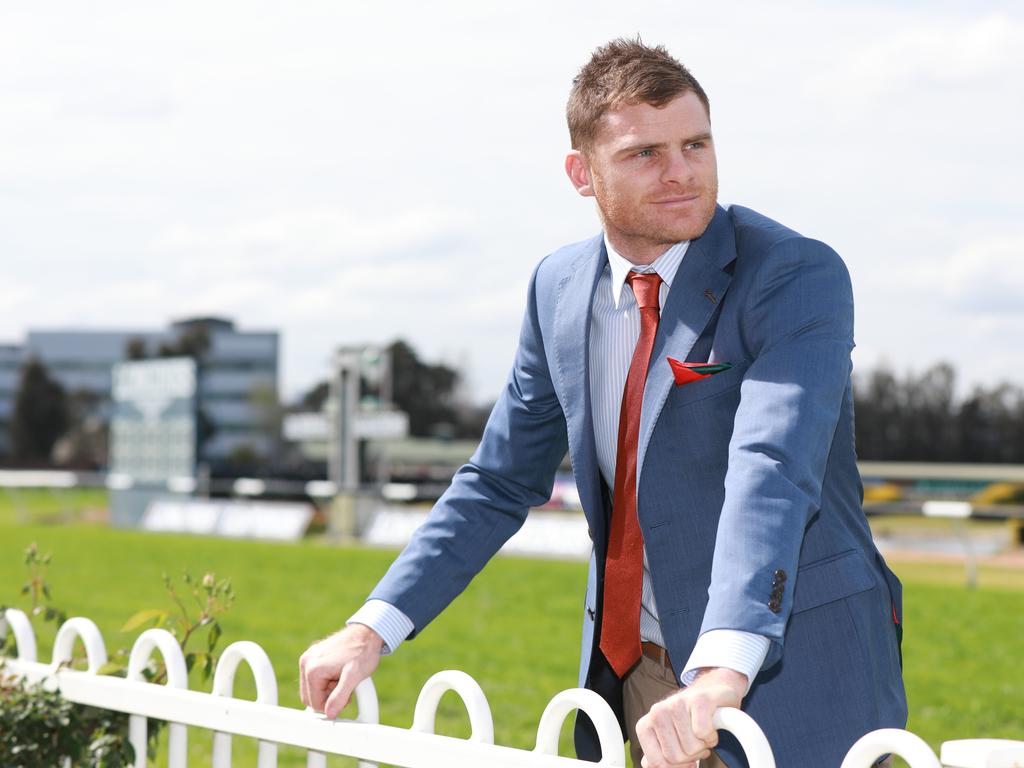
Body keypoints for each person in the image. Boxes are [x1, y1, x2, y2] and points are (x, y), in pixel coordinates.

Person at [300, 38, 907, 768]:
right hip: (638, 677)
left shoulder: (794, 273)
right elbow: (496, 481)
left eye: (696, 143)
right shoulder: (556, 288)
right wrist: (371, 628)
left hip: (791, 668)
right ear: (581, 174)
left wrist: (720, 671)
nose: (681, 171)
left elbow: (771, 468)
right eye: (644, 154)